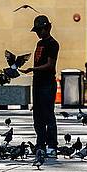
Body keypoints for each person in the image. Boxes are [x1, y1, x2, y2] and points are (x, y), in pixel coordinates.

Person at [19, 15, 59, 158]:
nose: (38, 33)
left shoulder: (53, 44)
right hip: (37, 83)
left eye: (40, 30)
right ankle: (40, 144)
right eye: (36, 31)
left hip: (47, 84)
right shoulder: (39, 44)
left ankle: (52, 145)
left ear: (47, 28)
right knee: (37, 116)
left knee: (48, 115)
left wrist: (32, 70)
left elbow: (50, 65)